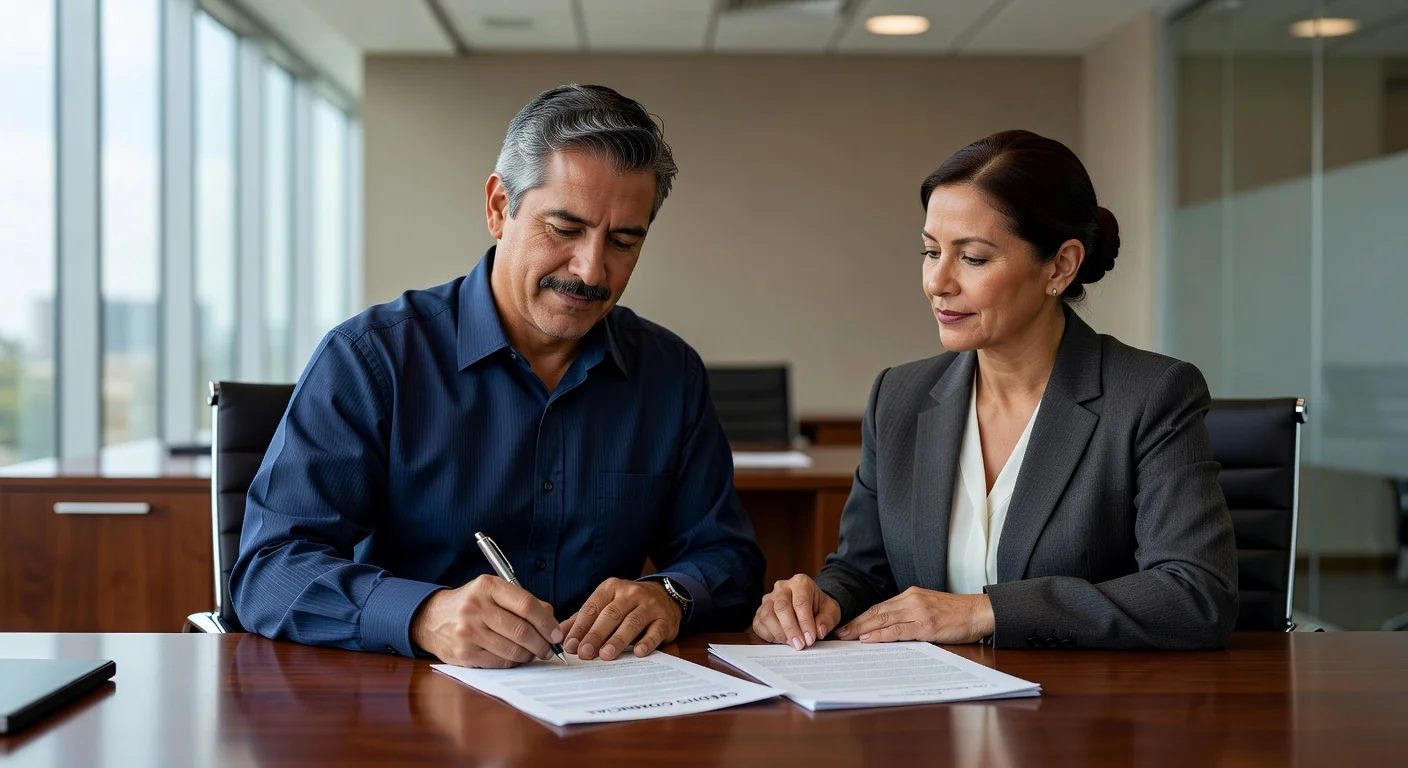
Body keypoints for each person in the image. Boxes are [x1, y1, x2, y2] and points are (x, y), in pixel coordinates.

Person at [231, 84, 765, 668]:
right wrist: (422, 614)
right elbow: (269, 571)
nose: (590, 269)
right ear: (497, 207)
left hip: (605, 705)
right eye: (564, 229)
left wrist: (670, 595)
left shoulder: (670, 373)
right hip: (408, 705)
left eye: (622, 241)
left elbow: (727, 556)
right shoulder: (371, 358)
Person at [754, 130, 1238, 651]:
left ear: (1060, 265)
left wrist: (984, 612)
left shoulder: (1150, 395)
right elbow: (864, 570)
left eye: (973, 258)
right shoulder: (899, 396)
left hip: (1085, 715)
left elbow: (1195, 594)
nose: (937, 282)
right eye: (930, 251)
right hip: (925, 713)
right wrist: (820, 600)